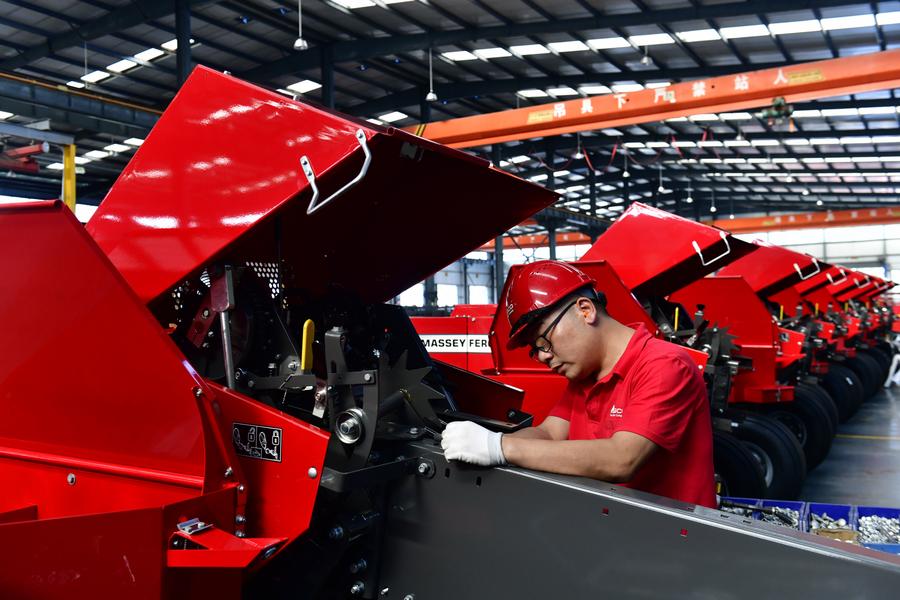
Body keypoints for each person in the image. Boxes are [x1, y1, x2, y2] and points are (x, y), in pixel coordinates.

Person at [440, 260, 716, 508]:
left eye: (543, 341)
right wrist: (477, 442)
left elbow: (622, 458)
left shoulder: (664, 364)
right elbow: (549, 434)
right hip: (616, 533)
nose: (543, 356)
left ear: (585, 311)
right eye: (534, 349)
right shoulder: (585, 376)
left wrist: (498, 447)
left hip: (673, 545)